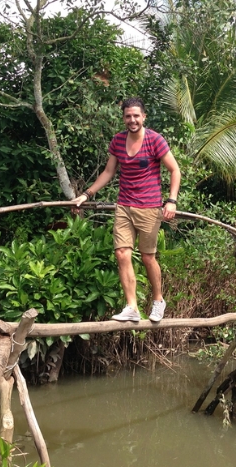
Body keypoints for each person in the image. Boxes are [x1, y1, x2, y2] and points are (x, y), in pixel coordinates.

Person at [73, 97, 181, 323]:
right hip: (124, 206)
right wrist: (86, 194)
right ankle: (131, 306)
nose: (132, 120)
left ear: (144, 117)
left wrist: (171, 201)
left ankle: (158, 300)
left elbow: (175, 170)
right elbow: (108, 172)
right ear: (123, 118)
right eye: (128, 116)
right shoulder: (118, 141)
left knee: (148, 257)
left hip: (150, 207)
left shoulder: (155, 140)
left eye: (136, 116)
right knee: (122, 253)